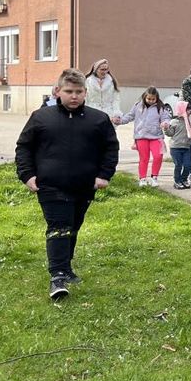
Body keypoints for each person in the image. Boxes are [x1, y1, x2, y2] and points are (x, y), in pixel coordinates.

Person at [15, 68, 119, 300]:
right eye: (69, 91)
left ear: (85, 93)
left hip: (84, 185)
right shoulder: (41, 117)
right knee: (59, 227)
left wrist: (104, 175)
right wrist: (27, 175)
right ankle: (58, 276)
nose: (74, 96)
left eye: (78, 92)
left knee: (72, 226)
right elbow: (24, 147)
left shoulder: (98, 119)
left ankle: (66, 267)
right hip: (50, 185)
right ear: (57, 91)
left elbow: (110, 148)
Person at [115, 87, 171, 187]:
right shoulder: (138, 106)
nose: (151, 101)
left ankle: (154, 177)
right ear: (144, 97)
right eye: (149, 99)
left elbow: (166, 118)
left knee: (158, 156)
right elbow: (130, 116)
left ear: (157, 98)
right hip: (141, 136)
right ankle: (142, 178)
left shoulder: (160, 107)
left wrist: (166, 123)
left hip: (156, 136)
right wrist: (120, 121)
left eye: (153, 99)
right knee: (144, 158)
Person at [164, 101, 191, 189]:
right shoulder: (174, 121)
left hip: (186, 147)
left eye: (190, 109)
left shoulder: (189, 121)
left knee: (188, 165)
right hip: (175, 148)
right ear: (181, 110)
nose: (189, 111)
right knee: (178, 165)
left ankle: (184, 179)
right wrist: (166, 129)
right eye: (187, 109)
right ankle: (177, 181)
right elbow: (170, 133)